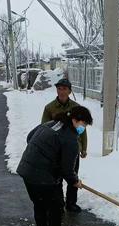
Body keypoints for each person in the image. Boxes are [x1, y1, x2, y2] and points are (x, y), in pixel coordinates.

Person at [17, 106, 93, 226]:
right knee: (56, 207)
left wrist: (43, 154)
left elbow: (29, 137)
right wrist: (75, 181)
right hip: (43, 176)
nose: (83, 128)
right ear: (74, 120)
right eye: (83, 124)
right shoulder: (70, 140)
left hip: (27, 170)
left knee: (39, 204)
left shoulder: (51, 124)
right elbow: (67, 170)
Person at [41, 78, 87, 213]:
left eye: (64, 89)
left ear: (69, 91)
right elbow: (44, 128)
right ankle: (59, 202)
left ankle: (71, 203)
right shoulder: (49, 108)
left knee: (72, 176)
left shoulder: (76, 108)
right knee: (57, 178)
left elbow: (82, 129)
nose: (61, 91)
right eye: (59, 88)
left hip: (73, 148)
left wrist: (83, 147)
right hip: (56, 150)